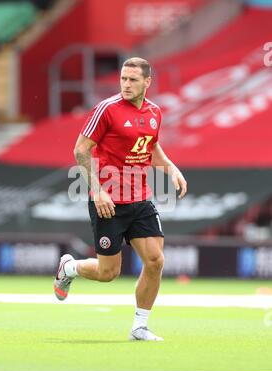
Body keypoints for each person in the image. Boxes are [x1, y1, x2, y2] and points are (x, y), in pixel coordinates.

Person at [54, 57, 187, 341]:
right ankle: (70, 267)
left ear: (147, 82)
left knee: (155, 261)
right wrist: (98, 190)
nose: (126, 85)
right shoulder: (107, 110)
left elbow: (151, 147)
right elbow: (81, 150)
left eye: (133, 80)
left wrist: (171, 168)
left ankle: (139, 327)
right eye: (123, 79)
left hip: (140, 200)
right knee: (108, 273)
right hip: (108, 201)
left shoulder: (154, 112)